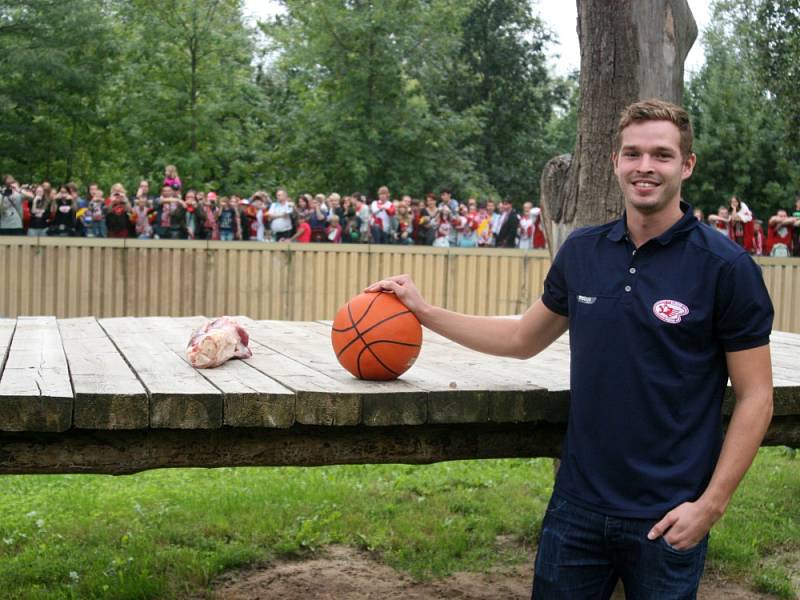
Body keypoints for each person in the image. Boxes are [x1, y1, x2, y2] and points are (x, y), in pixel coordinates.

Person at [365, 99, 774, 599]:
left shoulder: (726, 268)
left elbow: (756, 397)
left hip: (670, 515)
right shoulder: (583, 252)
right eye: (633, 153)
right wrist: (425, 313)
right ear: (615, 162)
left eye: (662, 155)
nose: (645, 167)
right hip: (577, 510)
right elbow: (521, 339)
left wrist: (710, 506)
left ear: (686, 165)